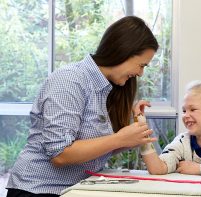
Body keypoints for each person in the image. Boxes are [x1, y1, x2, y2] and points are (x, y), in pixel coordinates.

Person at [6, 16, 158, 196]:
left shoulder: (108, 88)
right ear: (123, 51)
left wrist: (133, 136)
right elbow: (60, 154)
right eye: (141, 65)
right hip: (38, 189)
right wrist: (119, 139)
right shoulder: (69, 81)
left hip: (74, 189)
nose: (140, 73)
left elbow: (97, 147)